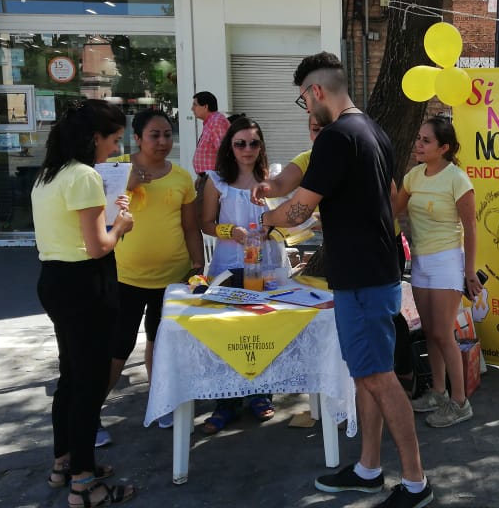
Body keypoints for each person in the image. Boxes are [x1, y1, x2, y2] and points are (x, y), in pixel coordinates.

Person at [254, 51, 433, 508]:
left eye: (302, 100)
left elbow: (300, 208)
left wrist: (267, 220)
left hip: (364, 278)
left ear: (316, 91)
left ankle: (416, 483)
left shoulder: (336, 136)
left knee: (380, 377)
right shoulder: (372, 129)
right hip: (369, 272)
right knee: (366, 377)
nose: (306, 109)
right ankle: (368, 469)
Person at [31, 99, 136, 506]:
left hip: (54, 280)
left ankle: (66, 462)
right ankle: (84, 483)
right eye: (112, 139)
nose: (115, 147)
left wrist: (110, 221)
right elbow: (97, 246)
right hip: (86, 285)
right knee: (89, 386)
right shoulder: (84, 176)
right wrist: (122, 225)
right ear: (94, 138)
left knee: (72, 379)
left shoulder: (48, 175)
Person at [99, 109, 204, 438]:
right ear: (138, 138)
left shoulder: (182, 177)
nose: (162, 142)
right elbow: (97, 216)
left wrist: (198, 267)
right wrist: (126, 184)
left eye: (168, 135)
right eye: (154, 135)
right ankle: (89, 415)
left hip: (172, 277)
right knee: (117, 347)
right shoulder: (115, 169)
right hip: (123, 277)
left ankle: (162, 403)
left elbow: (190, 227)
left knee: (161, 344)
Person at [393, 116, 480, 428]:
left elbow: (470, 229)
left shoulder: (457, 179)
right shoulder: (414, 176)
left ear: (444, 148)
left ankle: (460, 402)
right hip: (420, 262)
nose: (418, 144)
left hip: (447, 261)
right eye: (418, 138)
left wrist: (469, 272)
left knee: (444, 333)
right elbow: (394, 209)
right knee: (430, 331)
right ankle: (438, 393)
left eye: (425, 140)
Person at [198, 115, 284, 434]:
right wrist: (228, 230)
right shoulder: (217, 180)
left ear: (261, 146)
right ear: (230, 146)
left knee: (262, 330)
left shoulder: (272, 178)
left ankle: (261, 392)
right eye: (240, 143)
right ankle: (227, 402)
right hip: (226, 267)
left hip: (263, 266)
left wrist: (268, 226)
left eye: (254, 143)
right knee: (227, 335)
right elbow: (204, 222)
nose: (247, 149)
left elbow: (283, 215)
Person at [191, 91, 231, 187]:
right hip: (208, 178)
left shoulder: (217, 122)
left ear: (205, 107)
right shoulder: (211, 122)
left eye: (195, 105)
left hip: (214, 179)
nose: (192, 109)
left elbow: (224, 152)